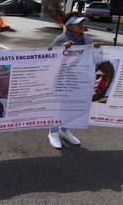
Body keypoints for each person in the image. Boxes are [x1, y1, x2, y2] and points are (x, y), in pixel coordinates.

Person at [48, 12, 101, 149]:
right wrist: (62, 49)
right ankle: (53, 132)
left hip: (79, 80)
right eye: (78, 23)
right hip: (62, 80)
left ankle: (65, 130)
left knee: (72, 106)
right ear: (69, 26)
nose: (82, 25)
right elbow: (48, 57)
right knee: (59, 105)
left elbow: (95, 59)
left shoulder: (88, 40)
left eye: (83, 22)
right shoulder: (61, 39)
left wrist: (97, 49)